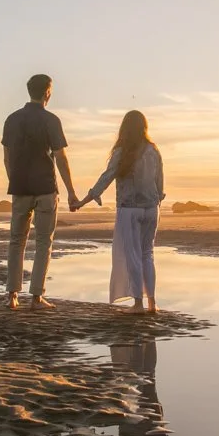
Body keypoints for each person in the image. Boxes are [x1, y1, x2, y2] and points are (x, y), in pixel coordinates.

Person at [2, 74, 83, 310]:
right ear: (47, 92)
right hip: (46, 187)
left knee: (16, 240)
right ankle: (36, 297)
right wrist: (71, 191)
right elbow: (60, 157)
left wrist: (14, 179)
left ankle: (12, 296)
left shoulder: (12, 119)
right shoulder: (51, 120)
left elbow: (7, 157)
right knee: (43, 242)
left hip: (20, 187)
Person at [71, 110, 164, 314]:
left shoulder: (123, 151)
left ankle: (138, 304)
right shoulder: (153, 150)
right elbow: (160, 184)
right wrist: (156, 201)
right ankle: (152, 303)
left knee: (133, 255)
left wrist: (84, 201)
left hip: (129, 209)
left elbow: (106, 178)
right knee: (148, 254)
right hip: (151, 209)